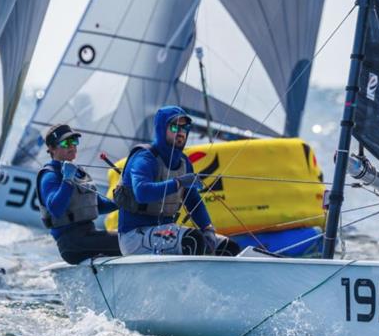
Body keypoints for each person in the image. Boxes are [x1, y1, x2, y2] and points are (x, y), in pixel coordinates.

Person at [114, 105, 240, 256]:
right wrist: (178, 183)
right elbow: (142, 192)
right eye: (174, 128)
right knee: (192, 241)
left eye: (184, 128)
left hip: (164, 232)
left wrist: (207, 228)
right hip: (134, 236)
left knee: (227, 247)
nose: (181, 132)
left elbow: (193, 200)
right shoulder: (144, 158)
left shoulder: (184, 163)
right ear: (162, 129)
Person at [36, 123, 122, 264]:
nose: (72, 146)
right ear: (52, 149)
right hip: (71, 242)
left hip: (88, 236)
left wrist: (121, 202)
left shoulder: (79, 172)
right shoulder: (50, 176)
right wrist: (67, 180)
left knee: (129, 236)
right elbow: (56, 209)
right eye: (66, 143)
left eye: (74, 141)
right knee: (127, 241)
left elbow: (98, 206)